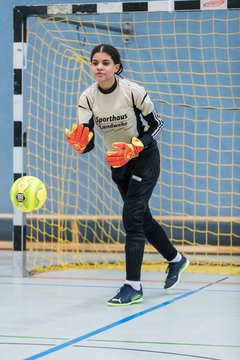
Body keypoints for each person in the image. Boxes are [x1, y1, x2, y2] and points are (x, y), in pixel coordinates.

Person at [65, 44, 189, 306]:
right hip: (117, 163)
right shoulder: (87, 98)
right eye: (95, 62)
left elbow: (157, 125)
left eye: (105, 62)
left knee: (131, 216)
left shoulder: (133, 91)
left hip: (143, 159)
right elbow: (88, 143)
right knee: (142, 218)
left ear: (116, 67)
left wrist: (136, 146)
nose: (99, 66)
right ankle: (176, 260)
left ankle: (133, 285)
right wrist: (80, 145)